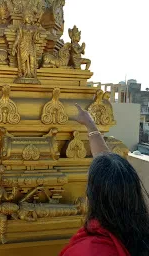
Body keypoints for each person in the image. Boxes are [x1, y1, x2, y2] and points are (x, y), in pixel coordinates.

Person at [59, 104, 149, 256]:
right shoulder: (139, 233)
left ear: (93, 198)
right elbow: (107, 165)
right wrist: (90, 124)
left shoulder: (90, 250)